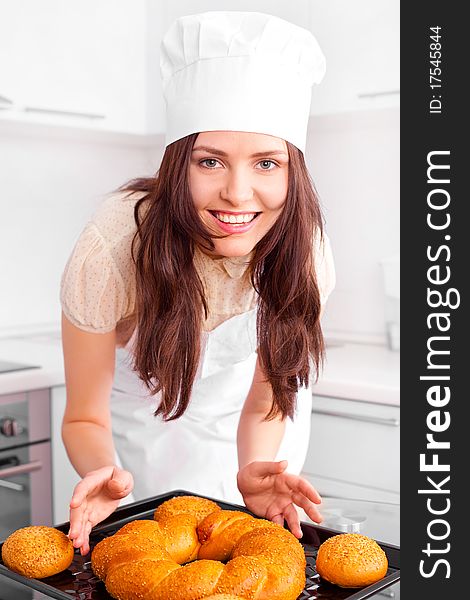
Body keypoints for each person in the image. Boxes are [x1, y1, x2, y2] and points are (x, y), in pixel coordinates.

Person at [60, 11, 335, 556]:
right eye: (210, 161)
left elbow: (266, 401)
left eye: (266, 163)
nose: (238, 193)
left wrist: (255, 466)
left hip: (257, 434)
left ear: (292, 171)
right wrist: (103, 472)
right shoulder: (113, 250)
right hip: (145, 435)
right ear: (176, 165)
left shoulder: (306, 251)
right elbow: (83, 415)